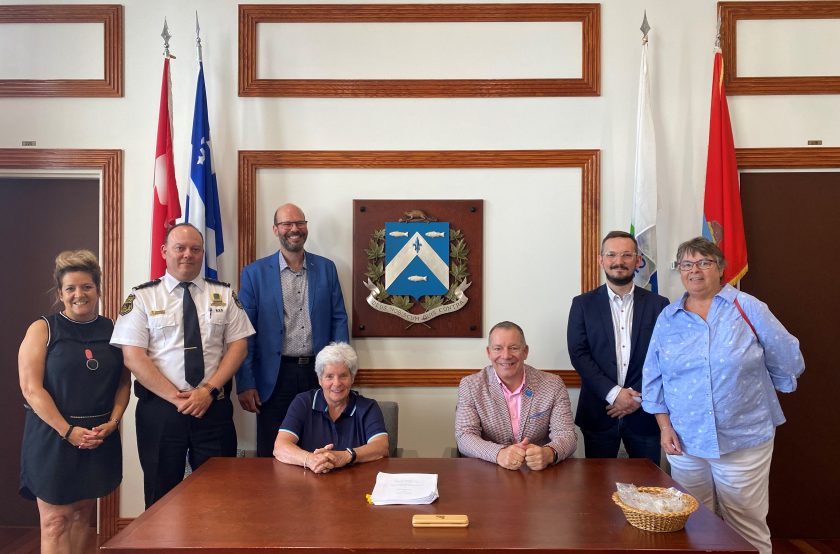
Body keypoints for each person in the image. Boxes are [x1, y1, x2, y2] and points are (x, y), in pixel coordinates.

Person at [642, 237, 804, 554]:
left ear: (720, 268)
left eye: (704, 262)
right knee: (691, 523)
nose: (695, 270)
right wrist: (664, 426)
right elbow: (653, 378)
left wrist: (763, 389)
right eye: (687, 264)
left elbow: (788, 357)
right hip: (685, 442)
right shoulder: (668, 318)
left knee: (746, 525)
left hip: (743, 438)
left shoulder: (748, 308)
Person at [111, 223, 255, 508]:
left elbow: (239, 347)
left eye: (195, 249)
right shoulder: (142, 297)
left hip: (212, 408)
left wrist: (208, 391)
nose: (188, 254)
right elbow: (133, 357)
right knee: (161, 497)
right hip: (161, 411)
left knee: (219, 497)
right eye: (180, 248)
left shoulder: (224, 294)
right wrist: (177, 398)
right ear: (164, 251)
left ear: (203, 253)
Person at [18, 250, 131, 553]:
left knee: (82, 516)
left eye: (86, 287)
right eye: (70, 288)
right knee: (55, 522)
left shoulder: (113, 329)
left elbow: (123, 382)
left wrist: (114, 422)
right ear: (60, 293)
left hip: (97, 438)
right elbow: (31, 389)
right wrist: (67, 431)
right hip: (53, 437)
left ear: (98, 290)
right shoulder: (42, 329)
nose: (79, 294)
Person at [236, 203, 349, 457]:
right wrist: (245, 382)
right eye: (287, 224)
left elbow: (339, 319)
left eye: (300, 223)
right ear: (276, 229)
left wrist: (341, 369)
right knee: (273, 452)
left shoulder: (327, 268)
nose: (294, 229)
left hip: (319, 373)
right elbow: (244, 331)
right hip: (274, 377)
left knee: (321, 446)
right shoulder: (254, 273)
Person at [567, 231, 669, 466]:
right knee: (597, 484)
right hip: (599, 411)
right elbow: (579, 354)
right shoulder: (582, 304)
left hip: (645, 413)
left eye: (626, 255)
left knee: (648, 483)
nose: (618, 261)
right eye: (611, 254)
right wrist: (614, 394)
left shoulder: (659, 305)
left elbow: (664, 357)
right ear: (600, 260)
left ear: (638, 260)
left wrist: (635, 398)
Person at [455, 321, 577, 470]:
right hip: (490, 469)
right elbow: (465, 436)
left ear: (525, 351)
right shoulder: (470, 385)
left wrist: (549, 453)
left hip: (539, 472)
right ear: (489, 352)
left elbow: (567, 435)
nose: (506, 356)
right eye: (498, 348)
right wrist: (499, 454)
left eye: (513, 348)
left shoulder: (553, 384)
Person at [273, 342, 388, 473]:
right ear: (320, 379)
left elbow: (381, 447)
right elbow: (280, 447)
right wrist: (310, 459)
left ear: (352, 378)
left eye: (343, 375)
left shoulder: (368, 407)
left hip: (357, 481)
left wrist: (346, 456)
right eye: (329, 376)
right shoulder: (302, 402)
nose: (337, 383)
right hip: (309, 481)